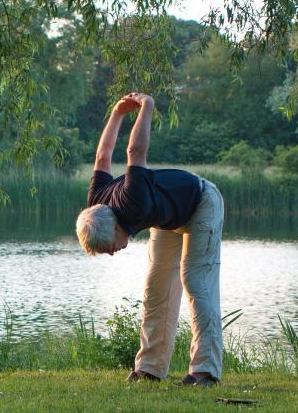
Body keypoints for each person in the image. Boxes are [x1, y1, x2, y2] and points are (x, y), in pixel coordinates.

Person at [75, 92, 225, 387]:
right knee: (156, 289)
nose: (113, 253)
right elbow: (102, 156)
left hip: (201, 203)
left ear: (115, 227)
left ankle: (205, 371)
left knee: (195, 282)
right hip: (167, 217)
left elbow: (134, 151)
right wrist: (117, 113)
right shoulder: (96, 203)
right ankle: (149, 368)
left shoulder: (132, 201)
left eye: (109, 248)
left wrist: (147, 106)